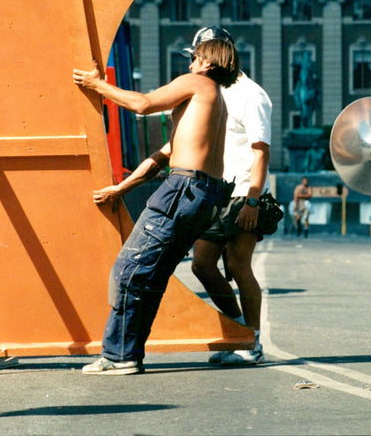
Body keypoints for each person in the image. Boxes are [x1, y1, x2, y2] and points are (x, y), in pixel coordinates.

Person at [72, 37, 240, 375]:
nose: (190, 64)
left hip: (184, 189)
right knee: (149, 277)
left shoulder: (197, 83)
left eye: (194, 58)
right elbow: (164, 155)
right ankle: (126, 354)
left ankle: (120, 356)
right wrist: (121, 188)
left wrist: (97, 84)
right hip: (203, 195)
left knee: (129, 269)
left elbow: (143, 104)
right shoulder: (214, 102)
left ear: (207, 63)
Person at [185, 27, 272, 367]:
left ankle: (251, 340)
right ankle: (239, 331)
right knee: (202, 264)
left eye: (198, 56)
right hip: (216, 193)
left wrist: (252, 200)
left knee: (237, 264)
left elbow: (261, 152)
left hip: (242, 195)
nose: (194, 63)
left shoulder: (252, 95)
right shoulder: (212, 92)